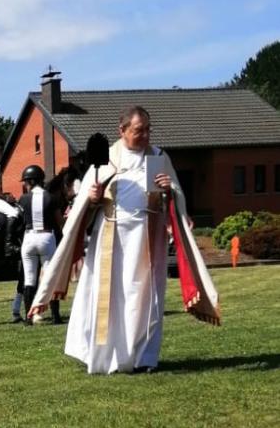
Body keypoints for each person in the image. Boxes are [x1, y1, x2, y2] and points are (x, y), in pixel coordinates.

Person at [29, 106, 220, 374]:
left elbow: (174, 198)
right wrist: (93, 198)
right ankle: (106, 357)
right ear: (122, 130)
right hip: (112, 241)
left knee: (145, 299)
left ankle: (144, 358)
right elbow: (86, 200)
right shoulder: (107, 159)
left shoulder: (158, 157)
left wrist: (169, 191)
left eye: (148, 130)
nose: (145, 136)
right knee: (110, 299)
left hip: (148, 240)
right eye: (138, 130)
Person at [17, 165, 63, 326]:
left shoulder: (23, 199)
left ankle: (29, 318)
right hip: (46, 238)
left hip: (29, 239)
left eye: (26, 182)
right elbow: (60, 223)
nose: (25, 185)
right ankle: (56, 315)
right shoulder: (51, 197)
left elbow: (19, 222)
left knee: (29, 279)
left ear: (30, 181)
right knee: (50, 278)